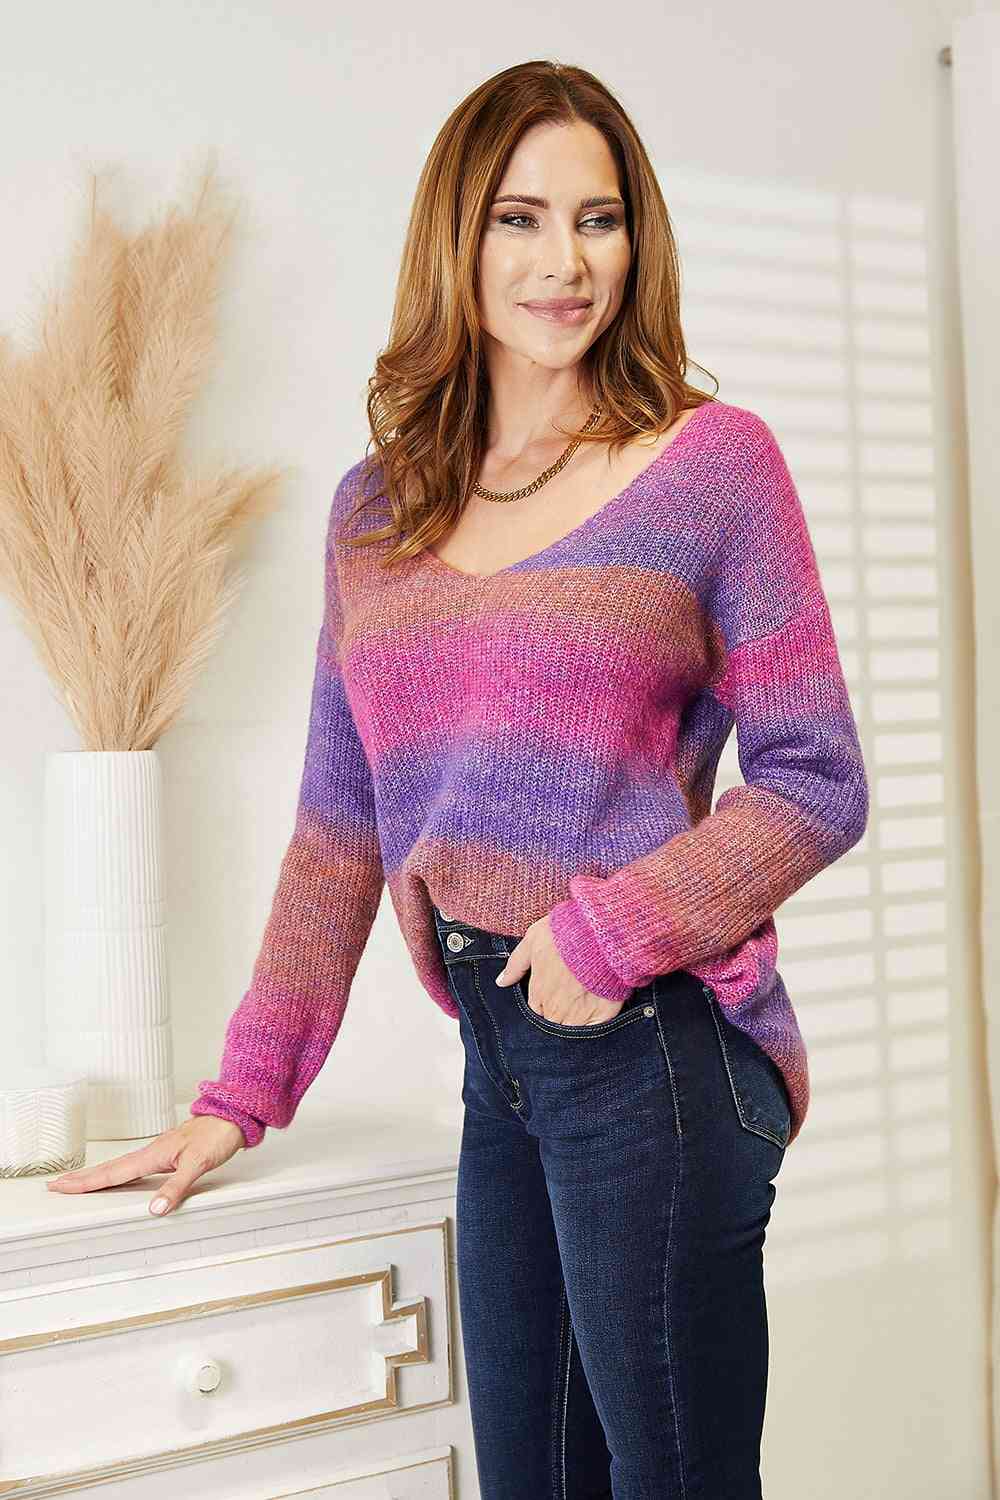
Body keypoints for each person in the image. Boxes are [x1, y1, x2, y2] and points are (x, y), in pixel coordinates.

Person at [46, 59, 868, 1498]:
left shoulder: (712, 469)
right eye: (520, 219)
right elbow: (338, 831)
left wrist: (611, 933)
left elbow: (816, 779)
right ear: (456, 239)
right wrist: (240, 1095)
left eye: (599, 220)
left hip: (653, 1048)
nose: (566, 263)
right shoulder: (378, 512)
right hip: (504, 1065)